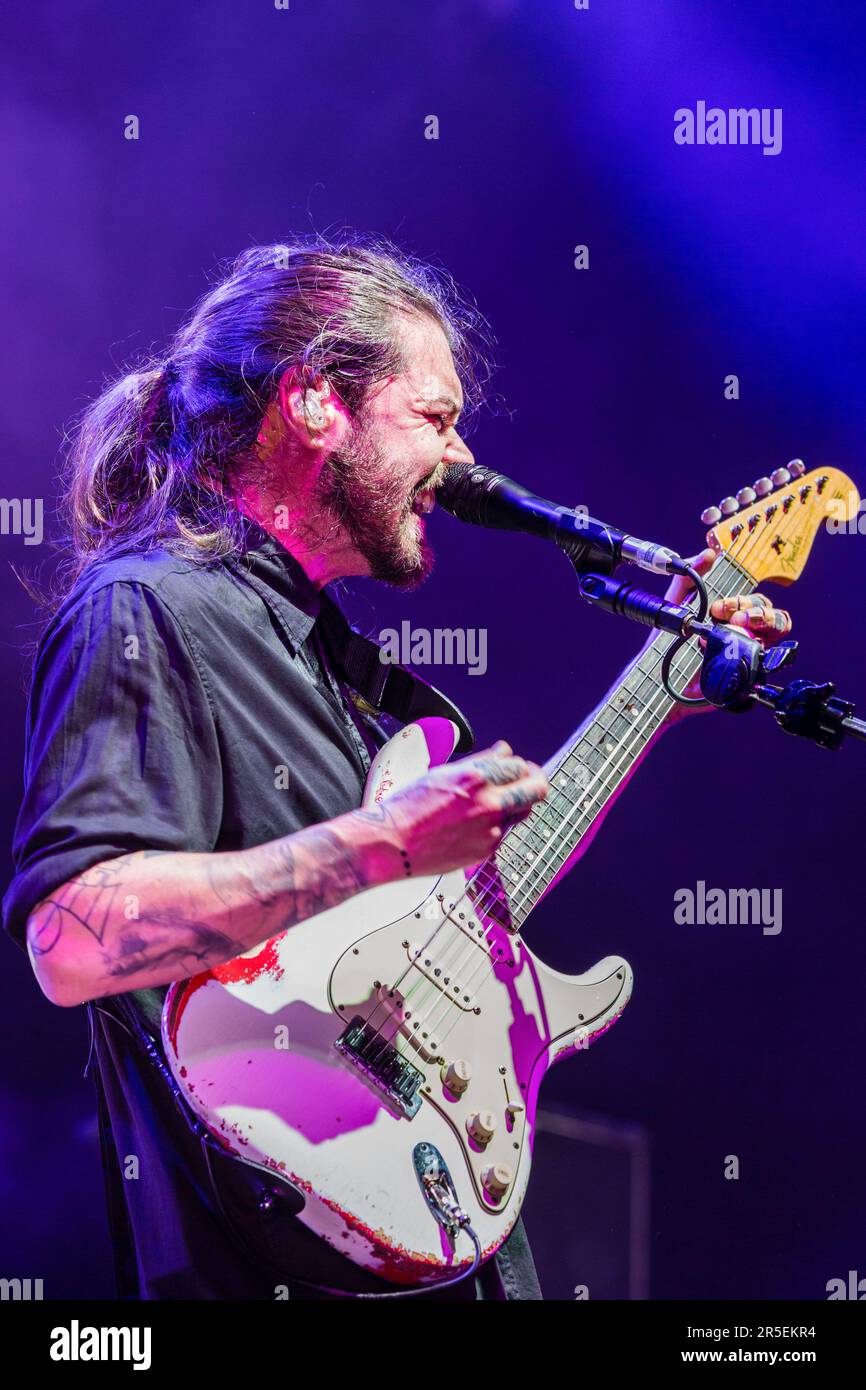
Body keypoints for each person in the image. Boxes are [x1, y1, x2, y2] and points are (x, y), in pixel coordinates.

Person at [2, 237, 792, 1300]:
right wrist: (383, 843)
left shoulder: (342, 671)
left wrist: (662, 688)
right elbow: (71, 936)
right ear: (315, 403)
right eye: (434, 417)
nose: (461, 457)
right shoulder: (145, 609)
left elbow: (437, 917)